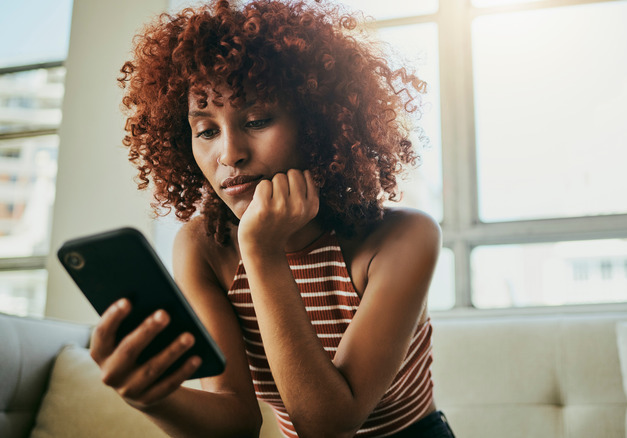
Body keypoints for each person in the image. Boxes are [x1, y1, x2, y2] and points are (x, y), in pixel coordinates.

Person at [89, 0, 454, 437]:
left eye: (258, 120)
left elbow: (328, 424)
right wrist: (149, 396)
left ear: (318, 126)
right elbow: (236, 422)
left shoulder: (404, 238)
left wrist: (261, 250)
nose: (229, 154)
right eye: (206, 130)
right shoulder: (203, 247)